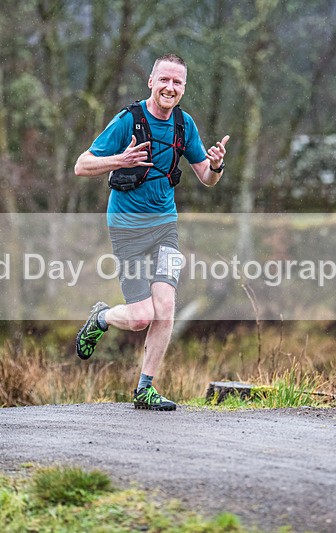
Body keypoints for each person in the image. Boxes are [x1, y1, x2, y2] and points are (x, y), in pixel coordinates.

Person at [73, 53, 229, 411]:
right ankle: (100, 318)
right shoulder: (128, 120)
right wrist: (120, 160)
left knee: (167, 306)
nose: (170, 87)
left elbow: (206, 178)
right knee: (141, 317)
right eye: (164, 80)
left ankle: (145, 388)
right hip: (127, 229)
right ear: (151, 81)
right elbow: (82, 166)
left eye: (177, 82)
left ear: (183, 88)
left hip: (165, 228)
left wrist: (218, 164)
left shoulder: (184, 125)